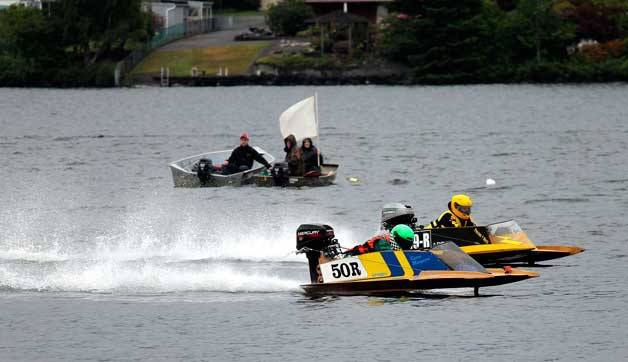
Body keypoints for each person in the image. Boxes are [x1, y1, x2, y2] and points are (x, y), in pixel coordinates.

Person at [345, 224, 415, 256]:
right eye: (403, 243)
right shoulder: (382, 244)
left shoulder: (390, 242)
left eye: (408, 243)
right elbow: (390, 256)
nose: (406, 246)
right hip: (352, 257)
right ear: (395, 238)